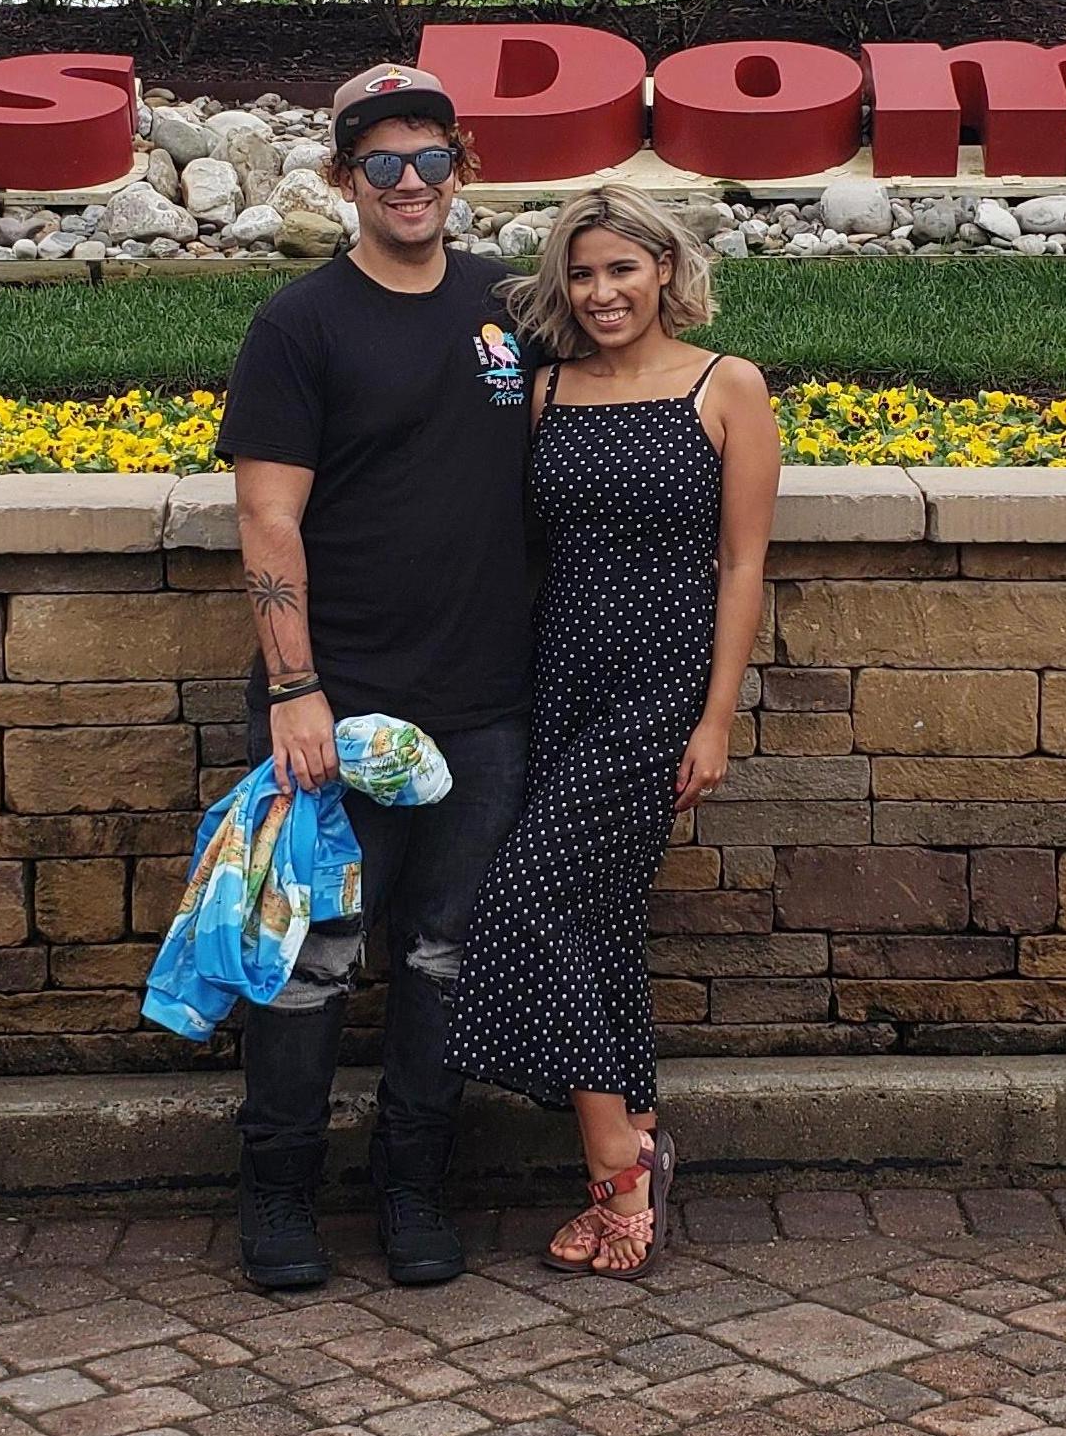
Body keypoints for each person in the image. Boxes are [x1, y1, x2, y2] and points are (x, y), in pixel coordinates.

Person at [216, 64, 533, 1295]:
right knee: (311, 960)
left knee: (445, 956)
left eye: (431, 159)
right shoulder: (300, 325)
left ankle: (414, 1187)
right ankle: (279, 1192)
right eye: (384, 163)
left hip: (485, 704)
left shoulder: (506, 307)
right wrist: (295, 689)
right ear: (346, 178)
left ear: (461, 167)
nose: (412, 183)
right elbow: (267, 519)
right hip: (340, 705)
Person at [449, 187, 779, 1276]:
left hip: (659, 692)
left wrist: (715, 718)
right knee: (594, 920)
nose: (601, 293)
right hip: (556, 682)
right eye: (582, 274)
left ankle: (619, 1173)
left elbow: (742, 565)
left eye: (621, 269)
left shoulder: (725, 385)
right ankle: (637, 1126)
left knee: (527, 898)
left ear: (664, 270)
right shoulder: (545, 391)